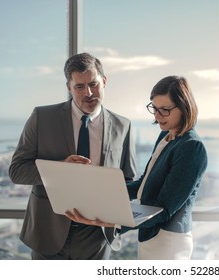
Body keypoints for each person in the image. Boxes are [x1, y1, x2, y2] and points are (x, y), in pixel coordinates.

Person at [8, 52, 137, 260]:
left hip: (97, 238)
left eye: (94, 84)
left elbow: (128, 180)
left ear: (104, 82)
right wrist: (60, 170)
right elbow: (16, 171)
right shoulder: (42, 118)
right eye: (79, 86)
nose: (88, 93)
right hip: (48, 233)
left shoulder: (123, 125)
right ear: (69, 87)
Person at [67, 75, 208, 260]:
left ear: (184, 107)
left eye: (165, 110)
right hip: (151, 236)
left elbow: (164, 209)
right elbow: (144, 184)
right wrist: (100, 192)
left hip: (169, 241)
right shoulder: (166, 136)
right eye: (155, 109)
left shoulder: (191, 147)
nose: (157, 117)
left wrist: (113, 221)